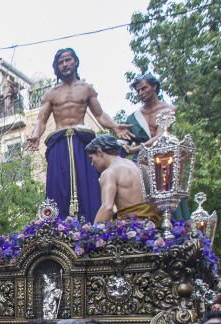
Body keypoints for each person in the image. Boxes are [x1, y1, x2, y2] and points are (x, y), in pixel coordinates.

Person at [25, 48, 131, 221]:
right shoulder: (50, 93)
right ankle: (58, 226)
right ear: (56, 67)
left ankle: (93, 225)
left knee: (87, 184)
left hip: (82, 142)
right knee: (59, 185)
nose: (65, 64)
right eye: (61, 62)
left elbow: (99, 115)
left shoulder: (86, 89)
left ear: (75, 62)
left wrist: (115, 126)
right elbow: (41, 120)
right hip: (59, 143)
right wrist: (36, 135)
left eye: (68, 60)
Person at [85, 135, 161, 225]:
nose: (92, 163)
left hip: (131, 229)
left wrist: (93, 232)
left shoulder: (109, 173)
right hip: (153, 227)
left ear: (99, 152)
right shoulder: (141, 167)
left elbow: (107, 207)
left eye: (91, 158)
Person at [124, 74, 175, 156]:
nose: (140, 93)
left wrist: (134, 149)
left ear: (154, 87)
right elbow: (124, 142)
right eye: (138, 91)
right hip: (140, 161)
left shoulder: (169, 110)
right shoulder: (133, 118)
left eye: (144, 88)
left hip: (164, 158)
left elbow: (161, 136)